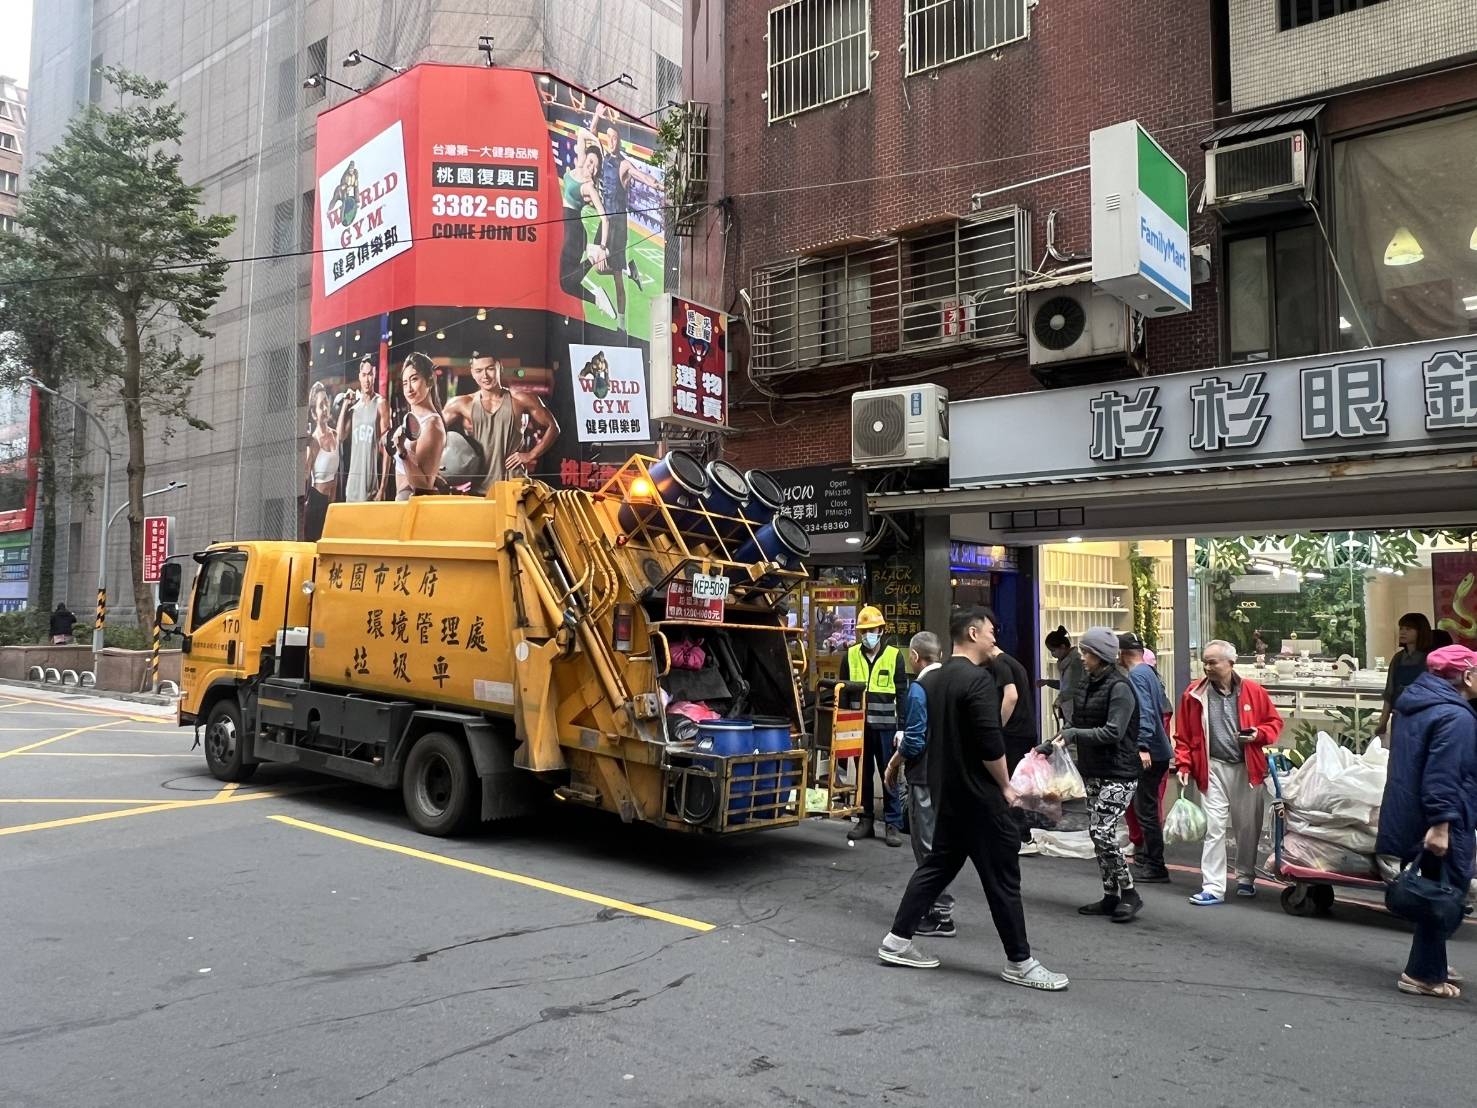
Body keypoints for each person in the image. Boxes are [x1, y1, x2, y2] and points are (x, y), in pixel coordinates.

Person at [876, 607, 1068, 991]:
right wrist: (1006, 786)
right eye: (991, 631)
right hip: (981, 797)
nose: (995, 637)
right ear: (973, 632)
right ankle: (1020, 961)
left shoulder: (933, 680)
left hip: (948, 791)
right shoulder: (978, 681)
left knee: (937, 867)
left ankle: (897, 940)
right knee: (1003, 879)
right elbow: (989, 742)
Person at [1375, 644, 1477, 999]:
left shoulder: (1415, 707)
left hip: (1413, 812)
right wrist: (1442, 825)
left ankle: (1432, 963)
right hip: (1443, 817)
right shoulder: (1456, 717)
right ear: (1466, 676)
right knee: (1445, 894)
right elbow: (1444, 775)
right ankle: (1422, 974)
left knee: (1438, 889)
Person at [1174, 639, 1284, 906]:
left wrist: (1258, 734)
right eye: (1205, 662)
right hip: (1211, 766)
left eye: (1212, 662)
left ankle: (1245, 876)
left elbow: (1274, 723)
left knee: (1247, 827)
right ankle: (1213, 886)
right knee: (1214, 828)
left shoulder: (1253, 691)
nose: (1207, 667)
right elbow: (1184, 735)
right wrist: (1184, 764)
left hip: (1247, 768)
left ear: (1230, 663)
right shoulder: (1193, 694)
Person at [1050, 626, 1144, 923]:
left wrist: (1075, 733)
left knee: (1102, 831)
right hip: (1093, 769)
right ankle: (1110, 894)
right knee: (1097, 833)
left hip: (1120, 771)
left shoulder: (1120, 688)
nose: (1082, 656)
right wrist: (1051, 743)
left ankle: (1129, 892)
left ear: (1100, 655)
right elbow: (1075, 723)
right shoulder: (1086, 684)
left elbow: (1114, 731)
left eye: (1086, 652)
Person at [883, 632, 952, 936]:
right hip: (949, 775)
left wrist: (894, 761)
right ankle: (938, 907)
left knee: (927, 846)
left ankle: (940, 912)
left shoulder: (920, 688)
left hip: (924, 775)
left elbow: (914, 739)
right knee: (941, 843)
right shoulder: (955, 682)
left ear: (914, 656)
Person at [589, 104, 661, 334]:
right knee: (596, 262)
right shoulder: (602, 159)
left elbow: (642, 176)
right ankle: (630, 269)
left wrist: (657, 184)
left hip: (618, 224)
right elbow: (591, 135)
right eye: (609, 137)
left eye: (616, 138)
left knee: (616, 276)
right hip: (604, 221)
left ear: (619, 141)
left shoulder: (624, 164)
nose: (612, 141)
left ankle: (621, 324)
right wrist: (597, 116)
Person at [443, 351, 560, 491]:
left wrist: (531, 454)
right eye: (479, 371)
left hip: (515, 485)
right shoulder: (461, 403)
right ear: (473, 373)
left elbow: (553, 427)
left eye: (490, 369)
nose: (485, 376)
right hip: (480, 488)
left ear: (500, 367)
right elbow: (432, 432)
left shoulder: (520, 398)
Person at [845, 605, 905, 847]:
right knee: (862, 776)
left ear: (881, 630)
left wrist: (902, 727)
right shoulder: (850, 655)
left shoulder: (894, 656)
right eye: (864, 630)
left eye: (872, 630)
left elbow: (902, 693)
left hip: (887, 727)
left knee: (889, 774)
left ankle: (893, 824)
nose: (868, 634)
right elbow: (843, 691)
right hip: (859, 727)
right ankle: (865, 818)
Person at [1118, 632, 1174, 883]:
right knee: (1146, 807)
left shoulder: (1138, 675)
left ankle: (1155, 864)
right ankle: (1150, 860)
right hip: (1157, 750)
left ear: (1122, 653)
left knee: (1146, 809)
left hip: (1150, 751)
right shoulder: (1148, 672)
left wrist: (1142, 745)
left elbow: (1147, 711)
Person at [985, 636, 1038, 852]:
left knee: (1006, 785)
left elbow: (1011, 696)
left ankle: (1022, 836)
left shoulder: (999, 664)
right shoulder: (1013, 662)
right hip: (1024, 731)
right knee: (1010, 784)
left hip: (1013, 734)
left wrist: (997, 727)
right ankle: (1012, 832)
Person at [557, 140, 617, 318]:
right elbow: (583, 134)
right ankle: (597, 297)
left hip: (573, 232)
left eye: (596, 167)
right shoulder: (577, 167)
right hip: (566, 229)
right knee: (565, 284)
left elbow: (604, 219)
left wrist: (603, 248)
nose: (591, 168)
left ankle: (592, 258)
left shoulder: (589, 187)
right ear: (585, 159)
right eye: (591, 162)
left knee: (565, 282)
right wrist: (597, 141)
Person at [336, 356, 391, 503]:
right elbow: (340, 437)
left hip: (371, 489)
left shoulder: (381, 404)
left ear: (375, 375)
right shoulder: (354, 407)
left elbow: (388, 450)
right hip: (352, 489)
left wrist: (382, 489)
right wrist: (345, 405)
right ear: (359, 377)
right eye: (364, 375)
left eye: (370, 374)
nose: (367, 380)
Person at [392, 353, 447, 501]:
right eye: (404, 383)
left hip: (413, 505)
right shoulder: (413, 418)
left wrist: (402, 451)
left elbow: (424, 486)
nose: (408, 388)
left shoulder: (431, 425)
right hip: (403, 502)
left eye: (414, 379)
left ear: (429, 381)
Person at [1376, 613, 1435, 738]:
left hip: (1424, 716)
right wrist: (1383, 722)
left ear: (1420, 631)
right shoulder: (1398, 658)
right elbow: (1389, 692)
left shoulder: (1431, 658)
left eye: (1408, 629)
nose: (1403, 632)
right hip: (1400, 716)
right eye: (1401, 628)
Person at [303, 381, 340, 540]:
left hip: (332, 503)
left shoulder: (335, 435)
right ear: (313, 413)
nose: (325, 408)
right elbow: (304, 477)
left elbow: (337, 475)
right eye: (320, 405)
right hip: (316, 504)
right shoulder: (313, 442)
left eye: (326, 403)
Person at [1039, 625, 1086, 726]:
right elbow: (1065, 685)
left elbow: (1073, 688)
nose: (1053, 654)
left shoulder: (1075, 664)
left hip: (1077, 712)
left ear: (1063, 647)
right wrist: (1047, 682)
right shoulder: (1066, 664)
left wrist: (1060, 699)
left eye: (1053, 650)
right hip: (1070, 712)